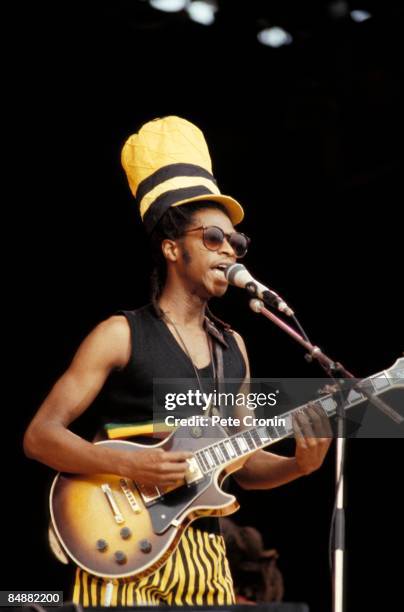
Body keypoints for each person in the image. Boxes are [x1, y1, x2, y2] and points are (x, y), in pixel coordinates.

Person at [23, 116, 332, 607]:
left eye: (236, 241)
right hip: (120, 557)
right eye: (213, 238)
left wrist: (300, 464)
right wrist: (133, 464)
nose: (229, 249)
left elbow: (243, 460)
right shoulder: (119, 334)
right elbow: (40, 436)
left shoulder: (235, 347)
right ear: (172, 248)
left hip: (207, 562)